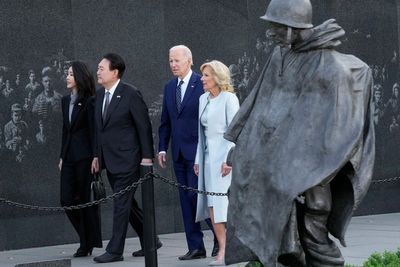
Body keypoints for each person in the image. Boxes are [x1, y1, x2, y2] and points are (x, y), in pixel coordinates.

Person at [223, 0, 375, 266]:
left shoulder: (330, 67)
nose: (271, 34)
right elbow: (262, 103)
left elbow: (337, 132)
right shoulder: (280, 55)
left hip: (313, 167)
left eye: (277, 28)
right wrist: (244, 144)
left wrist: (310, 171)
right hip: (278, 162)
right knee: (278, 227)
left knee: (314, 225)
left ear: (294, 27)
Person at [91, 53, 161, 263]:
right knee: (127, 204)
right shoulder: (100, 95)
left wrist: (147, 157)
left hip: (128, 160)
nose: (98, 71)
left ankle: (115, 250)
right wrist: (96, 155)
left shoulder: (130, 94)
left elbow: (143, 127)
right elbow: (99, 130)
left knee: (121, 204)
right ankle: (151, 240)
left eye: (102, 68)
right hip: (109, 161)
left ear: (115, 72)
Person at [158, 45, 218, 260]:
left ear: (189, 61)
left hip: (199, 153)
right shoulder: (169, 87)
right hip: (178, 155)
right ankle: (196, 246)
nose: (173, 65)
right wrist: (162, 147)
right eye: (171, 61)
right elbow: (165, 122)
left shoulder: (201, 84)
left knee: (200, 197)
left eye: (177, 61)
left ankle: (221, 240)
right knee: (185, 201)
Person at [194, 60, 239, 266]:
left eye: (206, 76)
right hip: (207, 161)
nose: (202, 79)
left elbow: (236, 130)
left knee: (222, 205)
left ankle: (228, 250)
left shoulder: (229, 98)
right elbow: (201, 134)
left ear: (217, 78)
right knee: (212, 205)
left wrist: (230, 160)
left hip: (224, 160)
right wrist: (197, 160)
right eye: (202, 75)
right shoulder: (203, 99)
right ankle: (223, 248)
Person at [58, 61, 102, 257]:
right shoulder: (65, 101)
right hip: (69, 157)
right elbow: (65, 131)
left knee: (85, 200)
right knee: (66, 200)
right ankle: (86, 237)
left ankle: (86, 244)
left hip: (85, 158)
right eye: (67, 74)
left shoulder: (91, 101)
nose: (67, 77)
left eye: (70, 74)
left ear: (79, 77)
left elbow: (94, 131)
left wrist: (95, 156)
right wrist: (61, 155)